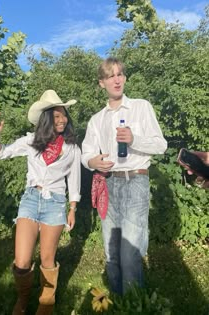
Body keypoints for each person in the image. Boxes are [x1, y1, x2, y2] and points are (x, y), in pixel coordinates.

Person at [0, 90, 81, 315]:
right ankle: (23, 299)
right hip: (30, 200)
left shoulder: (71, 147)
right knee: (21, 261)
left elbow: (74, 179)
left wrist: (72, 207)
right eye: (56, 116)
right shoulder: (31, 141)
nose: (62, 120)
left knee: (48, 259)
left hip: (56, 203)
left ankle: (45, 304)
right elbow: (2, 154)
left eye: (64, 115)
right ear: (47, 119)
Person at [81, 57, 167, 295]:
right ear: (102, 83)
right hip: (108, 184)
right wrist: (93, 161)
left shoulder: (141, 107)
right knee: (111, 252)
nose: (116, 79)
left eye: (120, 74)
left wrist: (134, 139)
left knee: (130, 254)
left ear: (125, 78)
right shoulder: (97, 120)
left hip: (135, 181)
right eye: (111, 76)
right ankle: (119, 303)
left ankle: (134, 304)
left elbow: (161, 145)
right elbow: (86, 153)